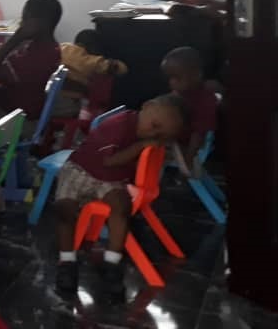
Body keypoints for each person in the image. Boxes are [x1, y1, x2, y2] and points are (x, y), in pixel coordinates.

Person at [54, 94, 188, 296]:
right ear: (147, 106)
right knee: (65, 212)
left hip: (110, 179)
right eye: (154, 125)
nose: (153, 134)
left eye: (161, 135)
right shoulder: (119, 124)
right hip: (79, 170)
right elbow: (109, 161)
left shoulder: (144, 132)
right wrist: (141, 147)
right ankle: (66, 262)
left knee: (122, 209)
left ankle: (112, 264)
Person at [0, 0, 63, 136]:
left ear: (39, 22)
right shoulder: (50, 48)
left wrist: (17, 37)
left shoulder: (37, 57)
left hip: (16, 121)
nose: (22, 23)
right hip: (22, 114)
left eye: (25, 18)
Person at [162, 46, 218, 175]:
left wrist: (188, 158)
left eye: (176, 78)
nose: (172, 82)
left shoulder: (204, 100)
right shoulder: (182, 93)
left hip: (187, 147)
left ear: (196, 75)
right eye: (169, 78)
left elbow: (199, 132)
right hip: (175, 139)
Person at [55, 29, 128, 118]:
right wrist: (115, 63)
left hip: (46, 99)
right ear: (91, 46)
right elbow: (121, 69)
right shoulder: (87, 60)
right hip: (65, 105)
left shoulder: (62, 47)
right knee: (82, 111)